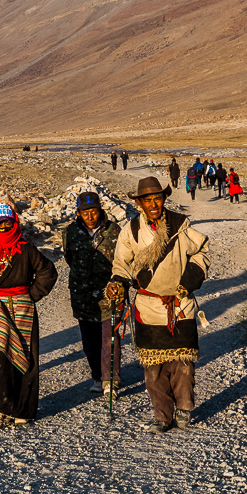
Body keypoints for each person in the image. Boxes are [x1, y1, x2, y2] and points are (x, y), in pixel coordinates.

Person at [106, 177, 210, 433]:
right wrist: (117, 283)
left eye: (157, 198)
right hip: (148, 307)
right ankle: (162, 416)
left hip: (180, 304)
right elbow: (121, 263)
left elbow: (202, 250)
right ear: (139, 203)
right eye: (147, 200)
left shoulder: (180, 225)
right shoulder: (130, 230)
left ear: (164, 199)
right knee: (153, 369)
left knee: (183, 364)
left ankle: (184, 409)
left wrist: (190, 280)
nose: (153, 204)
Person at [0, 203, 58, 427]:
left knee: (24, 361)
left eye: (7, 223)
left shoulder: (27, 249)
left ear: (15, 223)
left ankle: (21, 409)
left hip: (23, 310)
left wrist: (32, 295)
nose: (2, 227)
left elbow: (48, 272)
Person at [61, 192, 123, 395]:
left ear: (100, 210)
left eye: (93, 211)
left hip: (109, 294)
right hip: (82, 295)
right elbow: (69, 258)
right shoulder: (70, 232)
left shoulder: (114, 231)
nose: (90, 216)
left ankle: (109, 380)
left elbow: (123, 260)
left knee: (109, 338)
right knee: (89, 341)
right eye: (85, 212)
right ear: (78, 213)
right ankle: (97, 375)